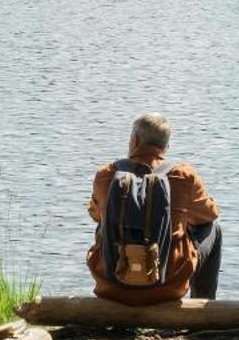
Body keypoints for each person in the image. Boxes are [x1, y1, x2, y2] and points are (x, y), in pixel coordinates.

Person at [87, 113, 222, 304]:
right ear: (165, 147)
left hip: (112, 285)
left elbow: (94, 214)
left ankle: (119, 274)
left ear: (134, 140)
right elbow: (209, 214)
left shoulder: (106, 175)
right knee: (213, 228)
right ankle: (204, 306)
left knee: (104, 222)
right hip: (167, 285)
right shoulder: (184, 175)